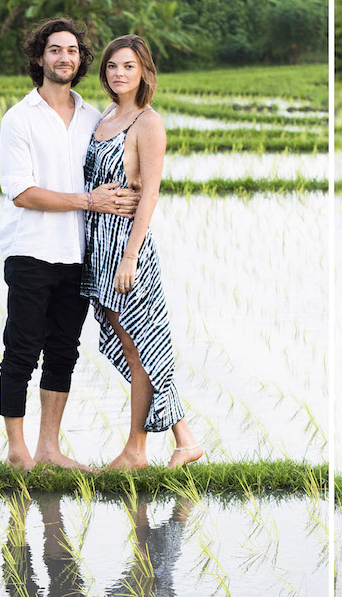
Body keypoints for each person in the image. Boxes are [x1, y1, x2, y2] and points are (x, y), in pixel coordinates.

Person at [0, 17, 141, 472]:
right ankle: (17, 450)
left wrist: (130, 193)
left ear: (81, 60)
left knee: (63, 351)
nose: (65, 57)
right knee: (22, 349)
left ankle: (49, 449)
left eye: (73, 51)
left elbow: (113, 173)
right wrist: (88, 200)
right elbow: (22, 192)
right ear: (40, 57)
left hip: (79, 255)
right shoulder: (19, 118)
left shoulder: (92, 117)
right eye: (55, 50)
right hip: (30, 251)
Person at [81, 34, 203, 470]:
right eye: (113, 66)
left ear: (144, 72)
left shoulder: (148, 123)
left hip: (125, 247)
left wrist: (130, 256)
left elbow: (148, 194)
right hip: (96, 243)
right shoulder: (106, 116)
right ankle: (184, 439)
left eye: (128, 66)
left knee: (140, 348)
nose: (119, 73)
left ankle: (136, 450)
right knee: (137, 348)